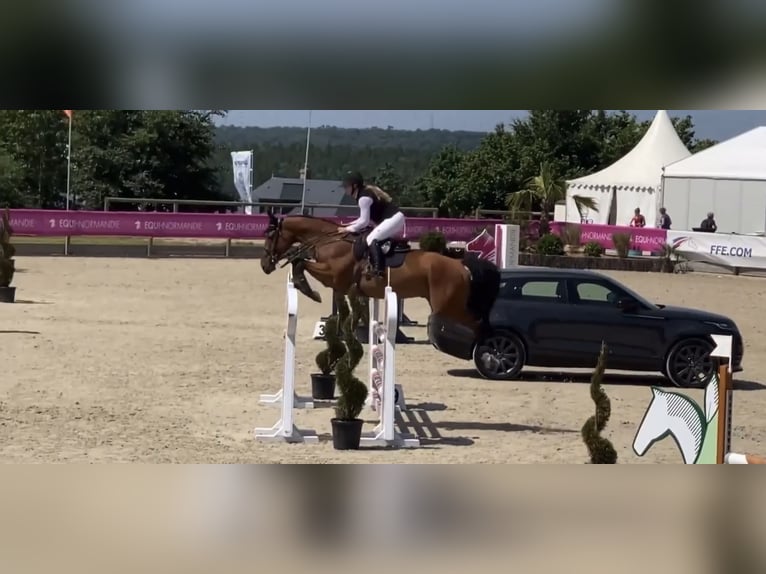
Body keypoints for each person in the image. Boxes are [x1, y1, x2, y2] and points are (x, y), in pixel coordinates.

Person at [337, 171, 405, 277]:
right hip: (394, 218)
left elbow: (364, 222)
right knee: (374, 237)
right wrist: (347, 225)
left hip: (393, 219)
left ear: (355, 186)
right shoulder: (363, 193)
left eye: (347, 186)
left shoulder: (363, 198)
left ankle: (378, 270)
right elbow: (362, 219)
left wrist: (347, 229)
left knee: (370, 239)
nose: (345, 189)